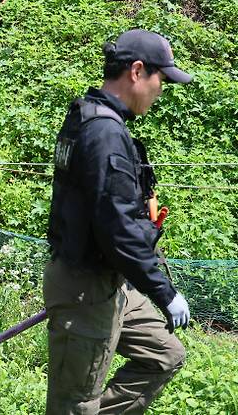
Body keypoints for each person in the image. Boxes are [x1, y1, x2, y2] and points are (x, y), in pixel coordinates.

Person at [45, 29, 192, 414]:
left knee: (165, 355)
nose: (161, 89)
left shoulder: (89, 115)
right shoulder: (104, 133)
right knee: (75, 404)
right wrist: (165, 293)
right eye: (161, 78)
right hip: (85, 288)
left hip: (110, 282)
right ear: (137, 71)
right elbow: (118, 230)